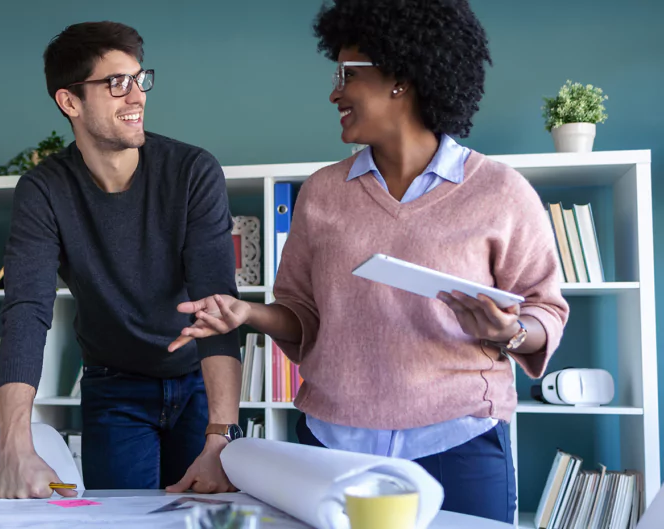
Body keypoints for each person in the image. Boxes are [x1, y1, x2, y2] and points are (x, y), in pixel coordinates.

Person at [171, 0, 570, 522]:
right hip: (329, 445)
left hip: (458, 441)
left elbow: (546, 310)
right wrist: (248, 315)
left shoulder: (500, 192)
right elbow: (301, 312)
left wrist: (510, 331)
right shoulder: (321, 193)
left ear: (400, 77)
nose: (334, 92)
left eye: (347, 74)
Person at [0, 21, 243, 499]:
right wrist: (14, 447)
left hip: (199, 384)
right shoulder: (44, 190)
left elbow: (217, 300)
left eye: (138, 79)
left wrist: (221, 435)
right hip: (115, 390)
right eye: (115, 84)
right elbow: (26, 312)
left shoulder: (193, 172)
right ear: (70, 102)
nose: (136, 97)